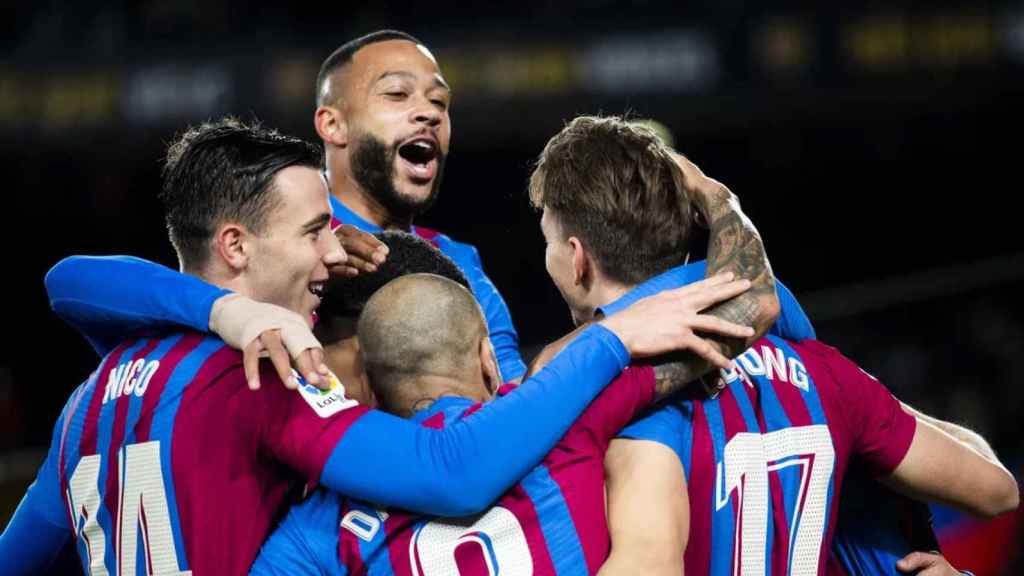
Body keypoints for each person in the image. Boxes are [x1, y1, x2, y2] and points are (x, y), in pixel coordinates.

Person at [0, 118, 751, 574]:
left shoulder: (88, 402)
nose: (336, 254)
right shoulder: (264, 375)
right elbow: (451, 470)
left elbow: (16, 560)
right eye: (313, 231)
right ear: (234, 246)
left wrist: (218, 308)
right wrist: (611, 340)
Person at [515, 117, 1020, 575]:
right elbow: (997, 490)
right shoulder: (823, 372)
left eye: (548, 241)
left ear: (577, 258)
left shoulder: (609, 394)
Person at [251, 271, 755, 575]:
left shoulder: (318, 523)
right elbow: (750, 304)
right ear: (488, 359)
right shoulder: (572, 417)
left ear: (370, 387)